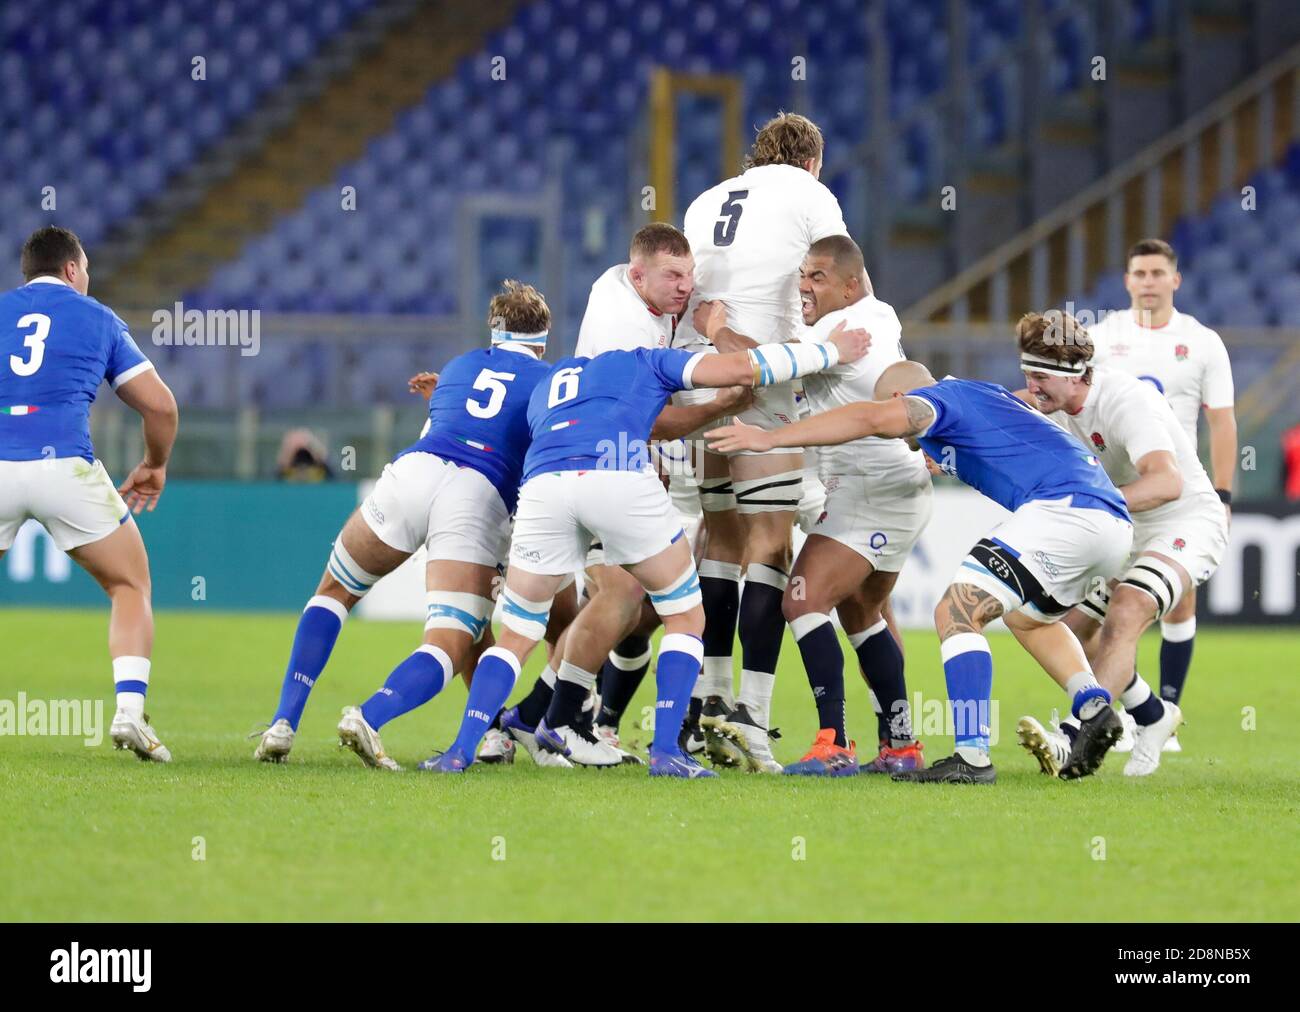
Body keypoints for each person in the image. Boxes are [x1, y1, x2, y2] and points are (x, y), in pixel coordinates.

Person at [420, 316, 871, 777]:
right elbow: (747, 365)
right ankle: (665, 752)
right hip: (617, 477)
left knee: (517, 633)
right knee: (684, 615)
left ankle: (461, 749)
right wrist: (832, 351)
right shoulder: (647, 362)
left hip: (545, 484)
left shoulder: (554, 381)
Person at [708, 360, 1134, 784]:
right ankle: (1093, 708)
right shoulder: (982, 394)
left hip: (1066, 510)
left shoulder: (935, 402)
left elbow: (869, 418)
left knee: (957, 611)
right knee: (1031, 620)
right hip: (1113, 523)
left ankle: (972, 756)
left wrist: (770, 439)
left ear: (900, 400)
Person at [253, 281, 552, 767]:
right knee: (452, 638)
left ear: (493, 332)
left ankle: (284, 721)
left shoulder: (459, 367)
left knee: (334, 590)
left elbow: (468, 415)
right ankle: (369, 717)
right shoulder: (549, 379)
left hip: (415, 472)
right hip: (477, 494)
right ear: (542, 341)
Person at [693, 233, 929, 776]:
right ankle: (901, 746)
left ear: (850, 286)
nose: (803, 285)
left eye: (817, 276)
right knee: (863, 614)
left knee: (800, 601)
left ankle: (834, 743)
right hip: (886, 489)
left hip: (874, 493)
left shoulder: (839, 331)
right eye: (802, 273)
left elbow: (756, 367)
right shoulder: (877, 313)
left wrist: (716, 329)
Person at [673, 111, 852, 772]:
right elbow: (840, 280)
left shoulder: (707, 200)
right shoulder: (810, 194)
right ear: (812, 161)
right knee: (769, 545)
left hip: (697, 380)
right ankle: (751, 714)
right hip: (766, 383)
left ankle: (710, 703)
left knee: (718, 542)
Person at [1012, 310, 1225, 776]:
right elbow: (1001, 412)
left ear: (1074, 375)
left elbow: (1167, 482)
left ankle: (1074, 738)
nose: (1032, 386)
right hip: (1128, 529)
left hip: (1184, 522)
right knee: (1074, 630)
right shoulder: (1052, 402)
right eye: (1027, 373)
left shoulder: (1126, 401)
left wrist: (1091, 503)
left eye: (1041, 376)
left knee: (1127, 611)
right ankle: (1152, 716)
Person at [0, 225, 178, 761]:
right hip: (65, 468)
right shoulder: (97, 317)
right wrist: (154, 463)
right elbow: (161, 407)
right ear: (73, 269)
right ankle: (128, 714)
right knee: (129, 584)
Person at [1087, 239, 1236, 736]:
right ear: (1127, 281)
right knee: (1099, 603)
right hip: (1114, 488)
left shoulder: (1201, 342)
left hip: (1173, 489)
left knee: (1177, 599)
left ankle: (1165, 710)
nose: (1148, 282)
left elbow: (1222, 421)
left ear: (1176, 280)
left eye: (1157, 273)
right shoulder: (1101, 338)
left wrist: (1223, 494)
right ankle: (1133, 711)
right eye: (1139, 273)